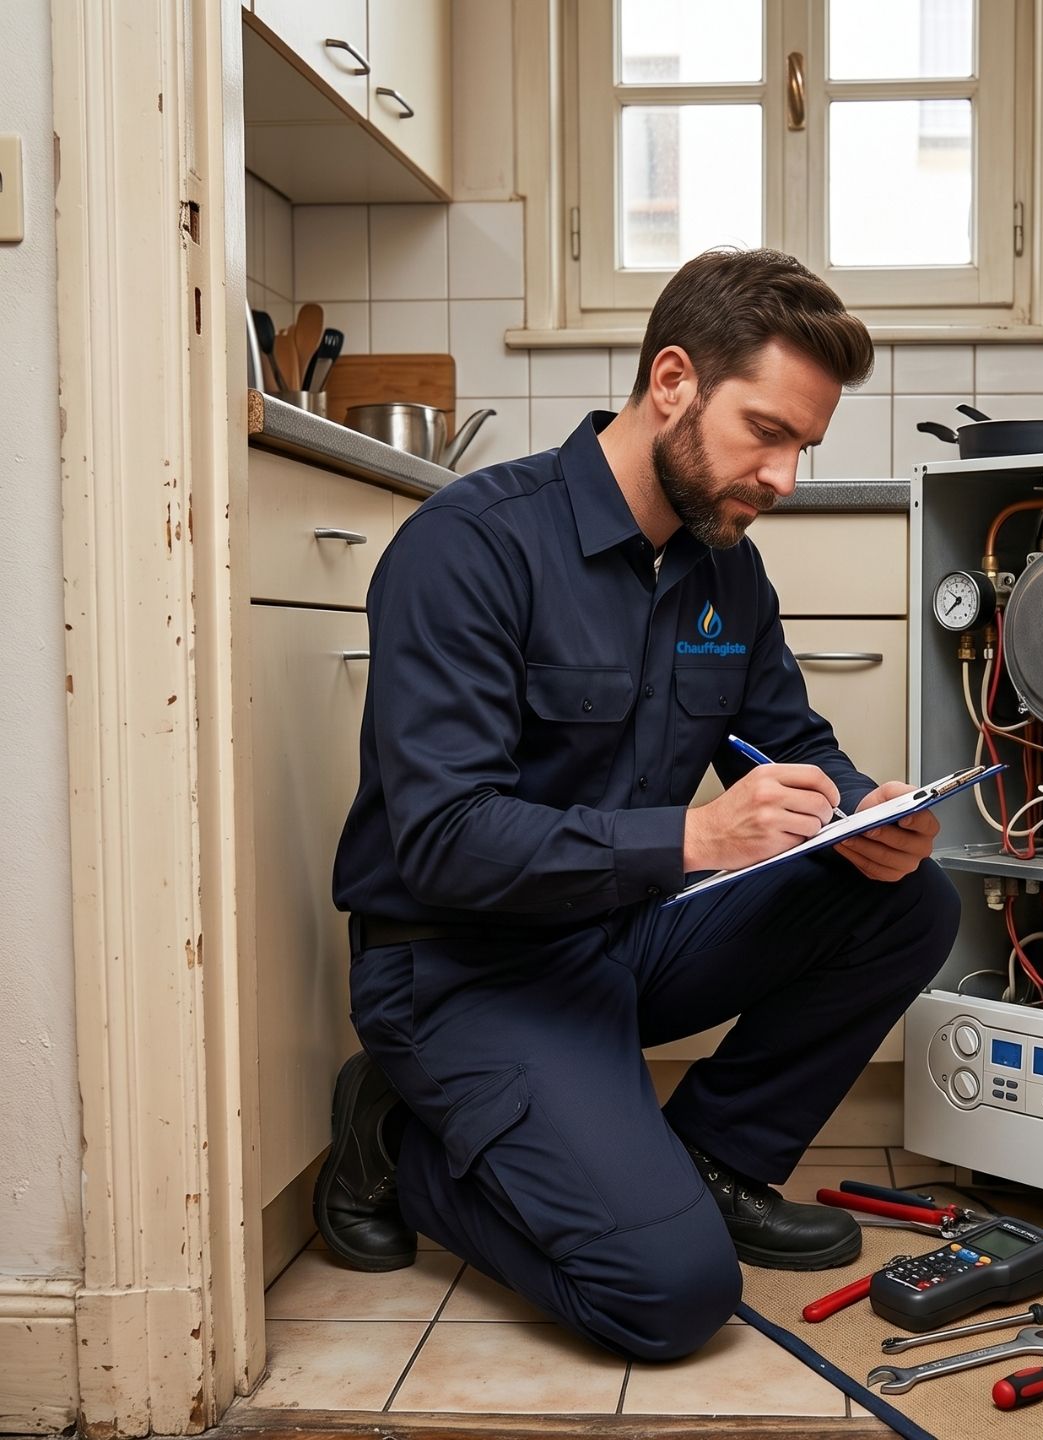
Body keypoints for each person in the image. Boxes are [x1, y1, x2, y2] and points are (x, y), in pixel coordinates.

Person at [317, 247, 961, 1362]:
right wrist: (700, 835)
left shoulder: (723, 567)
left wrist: (868, 811)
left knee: (908, 901)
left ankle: (711, 1162)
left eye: (803, 449)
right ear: (673, 381)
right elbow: (443, 841)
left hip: (619, 937)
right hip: (462, 966)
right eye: (765, 433)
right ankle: (399, 1141)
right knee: (668, 1297)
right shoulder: (471, 547)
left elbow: (790, 741)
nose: (784, 479)